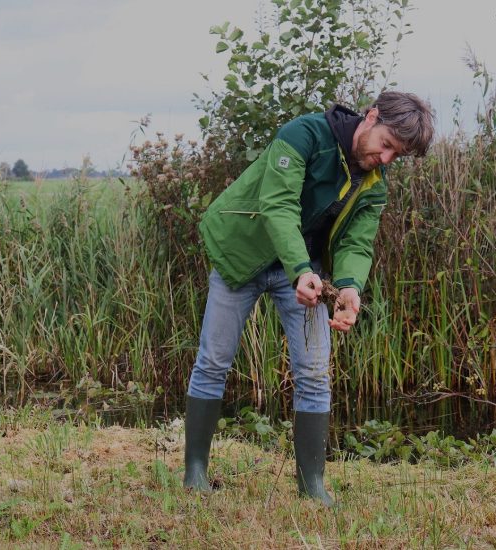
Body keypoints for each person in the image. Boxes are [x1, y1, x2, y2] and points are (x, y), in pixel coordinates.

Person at [184, 91, 435, 505]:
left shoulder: (373, 183)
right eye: (387, 144)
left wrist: (350, 285)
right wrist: (302, 269)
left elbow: (359, 241)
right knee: (213, 361)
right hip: (244, 254)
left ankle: (312, 486)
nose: (387, 159)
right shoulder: (303, 134)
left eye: (398, 155)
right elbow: (278, 205)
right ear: (371, 117)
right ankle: (194, 473)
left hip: (303, 271)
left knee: (315, 373)